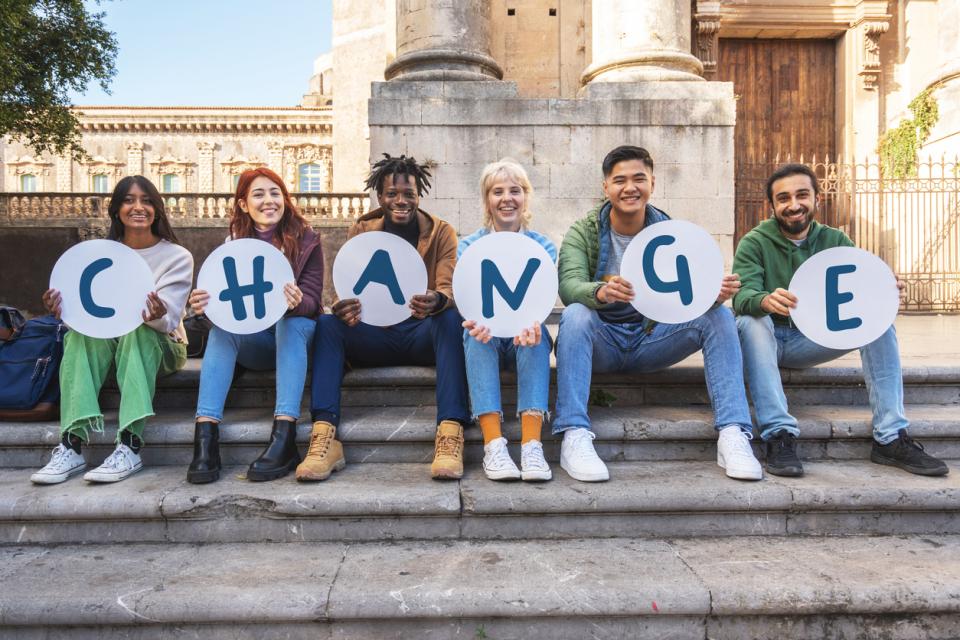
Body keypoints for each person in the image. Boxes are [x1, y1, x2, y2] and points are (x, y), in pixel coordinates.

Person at [554, 145, 762, 482]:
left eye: (639, 178)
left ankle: (733, 433)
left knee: (719, 316)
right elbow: (569, 285)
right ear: (605, 187)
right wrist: (600, 292)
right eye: (619, 180)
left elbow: (687, 300)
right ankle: (574, 433)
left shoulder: (670, 232)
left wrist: (712, 296)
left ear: (653, 182)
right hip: (602, 340)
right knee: (576, 314)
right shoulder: (585, 231)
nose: (629, 187)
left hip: (653, 338)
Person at [733, 163, 949, 477]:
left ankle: (890, 438)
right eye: (783, 198)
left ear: (817, 199)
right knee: (750, 321)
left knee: (879, 321)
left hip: (810, 341)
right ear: (773, 206)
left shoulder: (834, 240)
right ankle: (778, 434)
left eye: (802, 195)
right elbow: (741, 297)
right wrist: (764, 300)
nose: (793, 205)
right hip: (763, 338)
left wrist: (885, 292)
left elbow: (860, 287)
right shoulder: (754, 242)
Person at [298, 153, 470, 482]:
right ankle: (325, 436)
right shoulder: (362, 229)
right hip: (374, 334)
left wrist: (437, 300)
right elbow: (349, 284)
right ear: (380, 196)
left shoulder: (441, 232)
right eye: (392, 194)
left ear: (419, 194)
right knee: (327, 324)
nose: (400, 201)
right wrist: (342, 306)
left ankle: (450, 432)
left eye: (409, 193)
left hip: (421, 333)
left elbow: (449, 287)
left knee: (450, 320)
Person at [31, 176, 193, 484]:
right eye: (129, 200)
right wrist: (63, 310)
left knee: (139, 330)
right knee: (77, 335)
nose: (138, 207)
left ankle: (130, 444)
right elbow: (90, 315)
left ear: (157, 209)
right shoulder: (98, 254)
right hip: (109, 342)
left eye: (146, 200)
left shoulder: (176, 256)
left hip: (163, 344)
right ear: (116, 209)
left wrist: (155, 314)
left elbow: (168, 322)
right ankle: (71, 444)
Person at [187, 167, 323, 483]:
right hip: (257, 343)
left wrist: (294, 301)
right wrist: (206, 307)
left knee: (290, 325)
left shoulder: (307, 240)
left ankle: (284, 436)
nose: (269, 201)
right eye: (258, 194)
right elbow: (229, 309)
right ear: (244, 204)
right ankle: (205, 439)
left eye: (275, 193)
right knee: (222, 331)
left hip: (295, 338)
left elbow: (313, 303)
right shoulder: (233, 245)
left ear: (285, 200)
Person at [459, 159, 555, 481]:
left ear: (525, 197)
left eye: (515, 190)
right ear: (487, 200)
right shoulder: (469, 247)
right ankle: (494, 446)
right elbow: (468, 298)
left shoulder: (543, 247)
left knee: (536, 333)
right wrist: (475, 322)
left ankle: (531, 446)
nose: (506, 198)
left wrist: (531, 325)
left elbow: (539, 299)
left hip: (522, 340)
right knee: (476, 335)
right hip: (487, 337)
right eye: (497, 191)